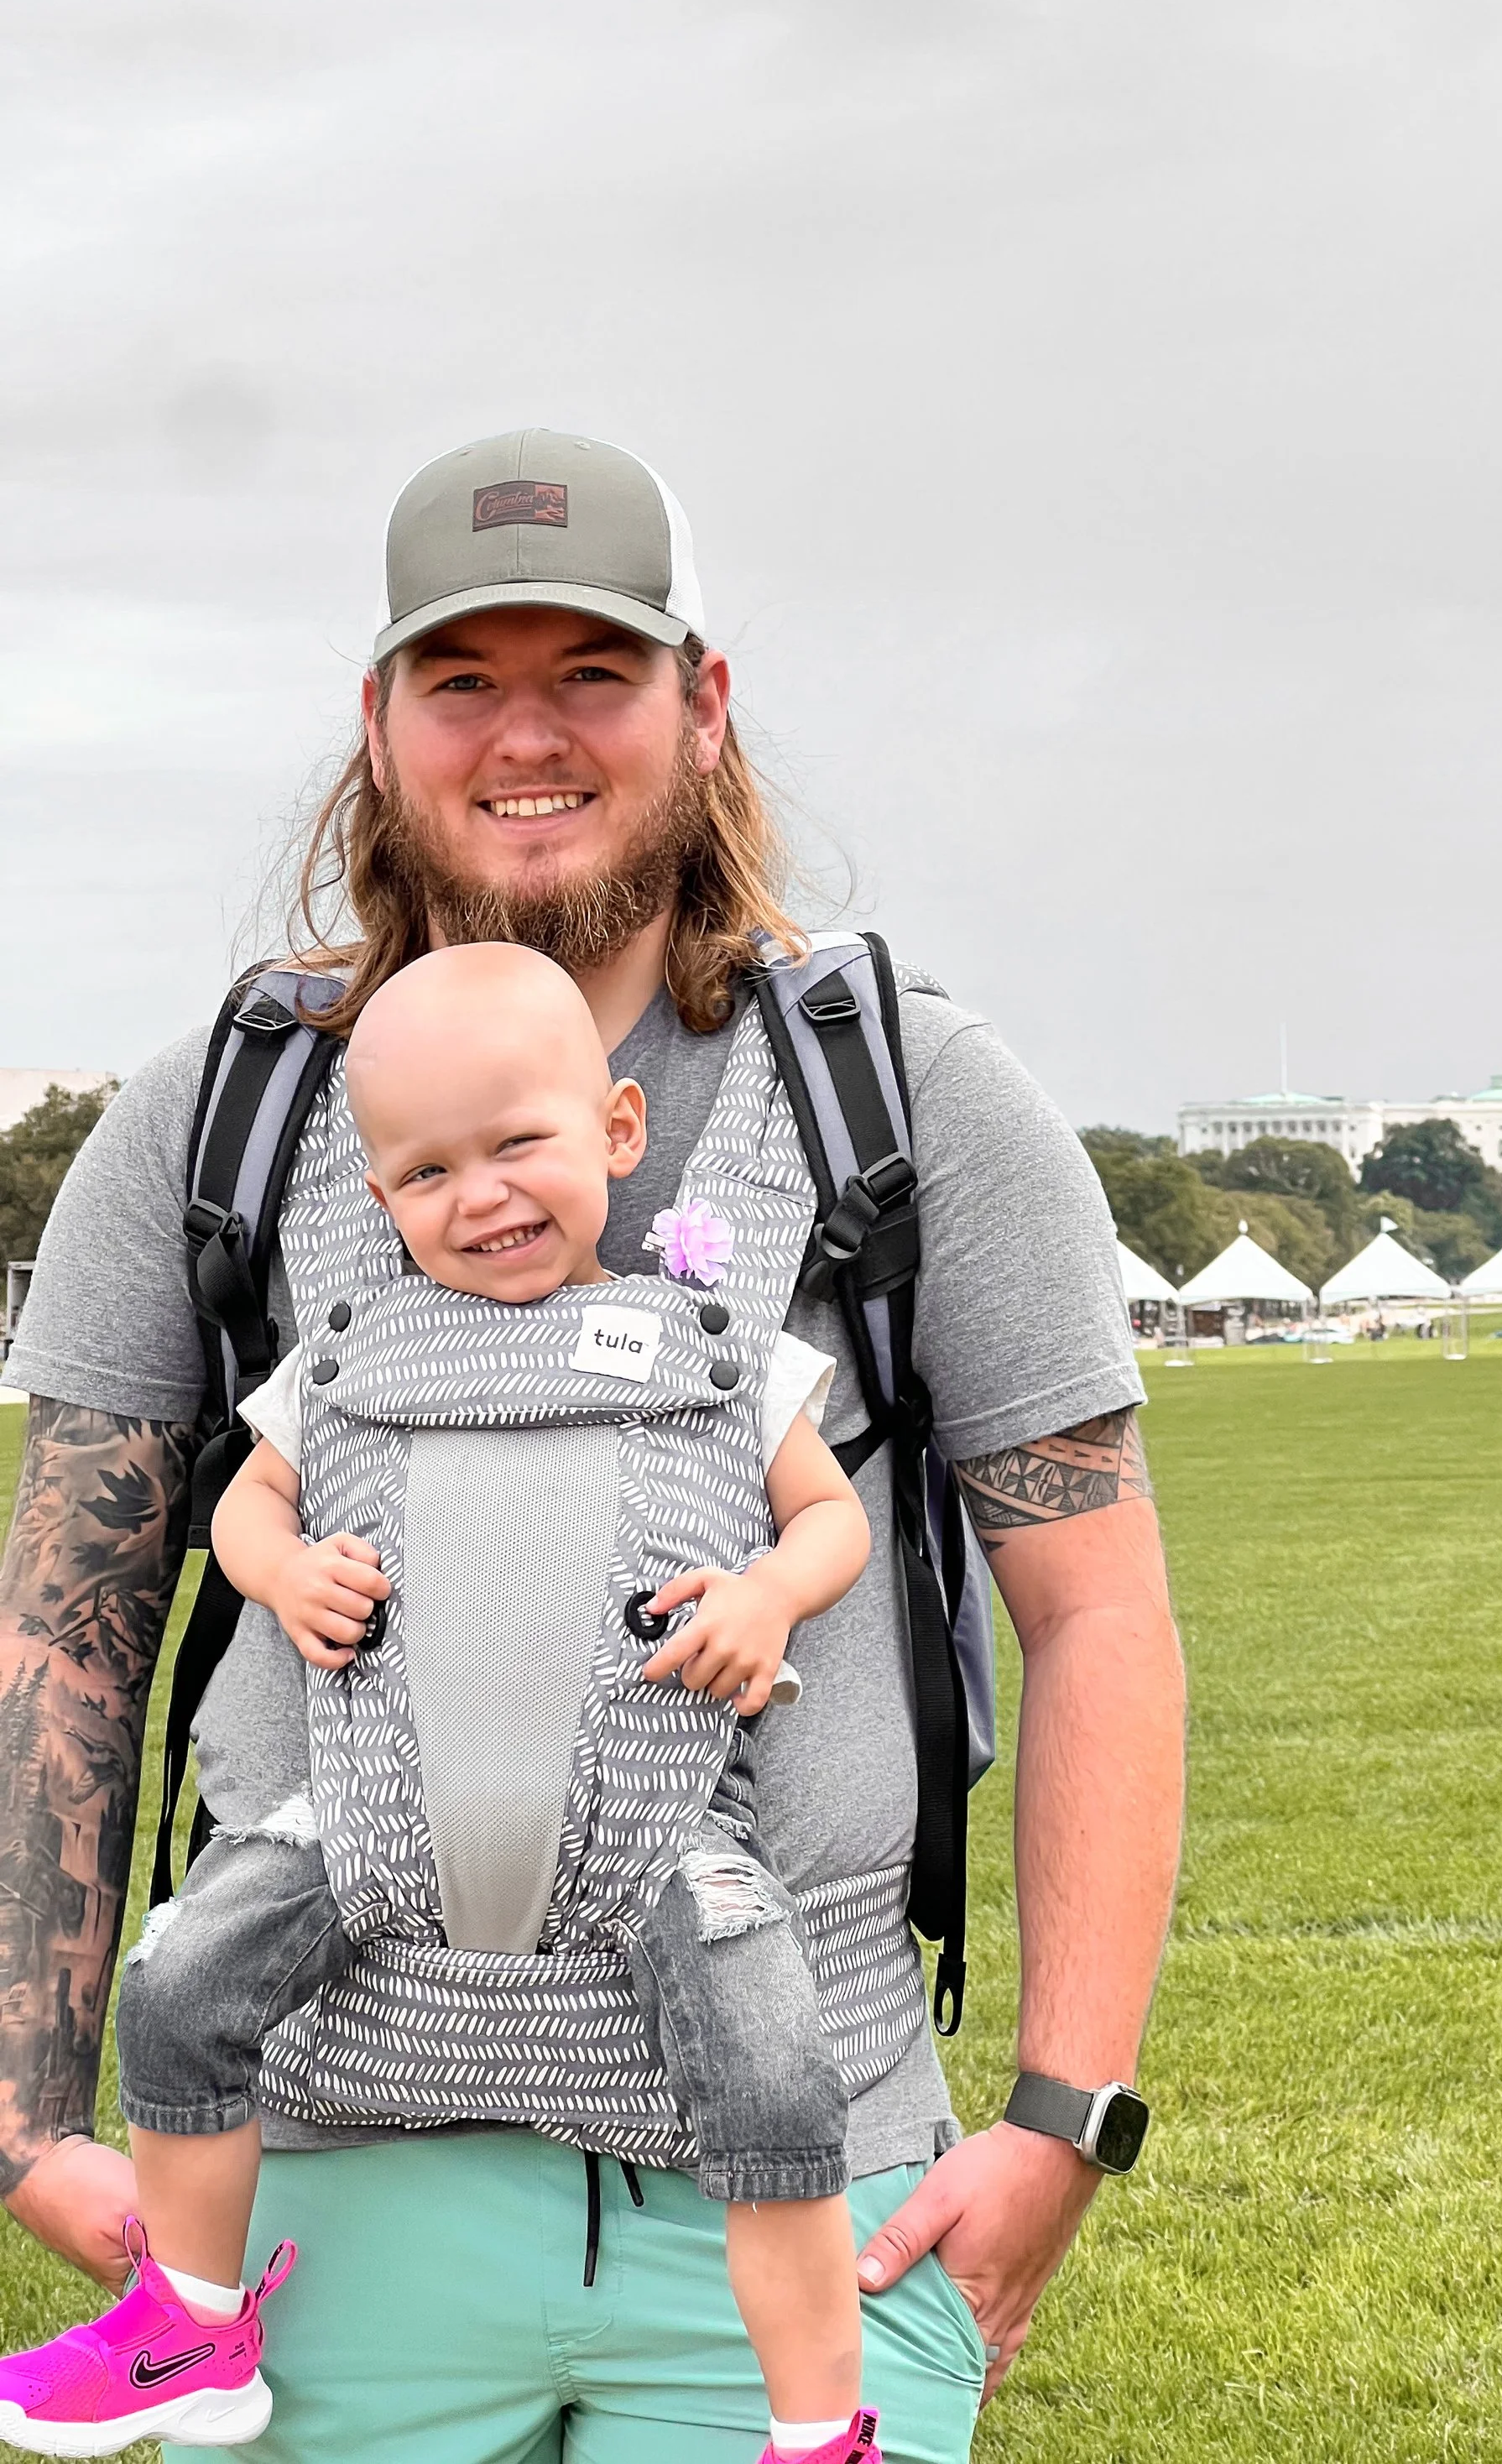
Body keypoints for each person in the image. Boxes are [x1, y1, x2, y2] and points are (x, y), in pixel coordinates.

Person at [0, 429, 1186, 2464]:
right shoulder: (231, 1107)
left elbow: (1094, 1613)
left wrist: (1064, 2115)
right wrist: (26, 2111)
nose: (525, 738)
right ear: (378, 726)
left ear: (702, 708)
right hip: (322, 2195)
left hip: (793, 2191)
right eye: (464, 680)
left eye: (593, 675)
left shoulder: (907, 1096)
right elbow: (70, 1620)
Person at [0, 946, 880, 2461]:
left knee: (776, 2078)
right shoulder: (346, 1353)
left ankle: (817, 2428)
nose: (480, 1196)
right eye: (426, 1169)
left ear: (615, 1127)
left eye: (517, 1143)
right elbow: (239, 1511)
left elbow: (830, 1521)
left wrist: (768, 1595)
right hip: (371, 1814)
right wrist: (284, 1574)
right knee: (180, 1980)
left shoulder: (724, 1349)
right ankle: (192, 2322)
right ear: (376, 1192)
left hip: (659, 1824)